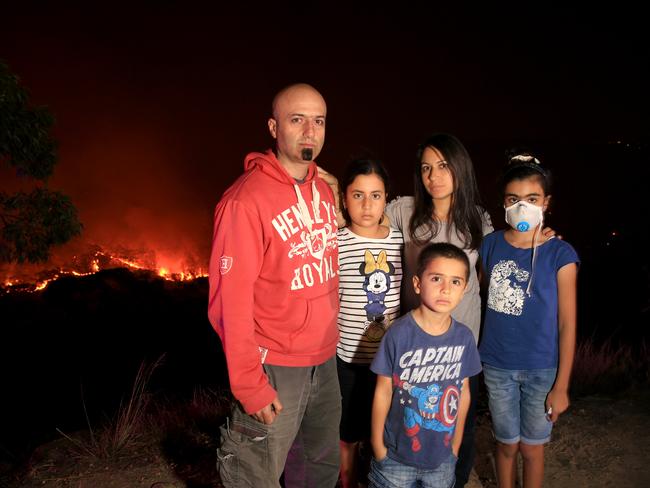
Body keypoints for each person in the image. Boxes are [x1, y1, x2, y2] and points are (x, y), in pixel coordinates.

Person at [208, 83, 341, 488]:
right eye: (296, 119)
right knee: (254, 475)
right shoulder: (244, 201)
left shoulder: (322, 189)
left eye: (318, 121)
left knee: (317, 470)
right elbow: (228, 302)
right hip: (275, 365)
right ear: (272, 127)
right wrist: (249, 382)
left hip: (324, 360)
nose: (309, 131)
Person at [384, 133, 492, 487]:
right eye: (426, 168)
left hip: (461, 346)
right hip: (414, 347)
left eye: (443, 166)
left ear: (460, 168)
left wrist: (542, 235)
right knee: (407, 423)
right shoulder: (403, 210)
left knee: (456, 424)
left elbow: (490, 270)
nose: (434, 176)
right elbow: (361, 209)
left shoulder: (478, 221)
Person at [479, 152, 578, 488]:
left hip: (542, 369)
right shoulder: (489, 245)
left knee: (533, 450)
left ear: (546, 202)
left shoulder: (560, 254)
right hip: (496, 365)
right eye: (513, 199)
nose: (523, 206)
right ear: (503, 203)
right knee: (506, 444)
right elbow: (477, 296)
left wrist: (562, 385)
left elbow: (567, 323)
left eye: (532, 199)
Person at [369, 243, 482, 488]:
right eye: (436, 278)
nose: (445, 289)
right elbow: (383, 391)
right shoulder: (398, 334)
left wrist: (455, 446)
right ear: (418, 284)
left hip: (442, 460)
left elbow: (462, 395)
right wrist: (378, 446)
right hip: (395, 459)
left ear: (465, 289)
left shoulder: (464, 337)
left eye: (455, 282)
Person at [336, 158, 403, 488]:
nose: (367, 204)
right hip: (347, 360)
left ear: (386, 198)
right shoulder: (335, 242)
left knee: (383, 433)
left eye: (376, 195)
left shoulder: (398, 240)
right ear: (344, 198)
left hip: (389, 363)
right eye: (358, 195)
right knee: (347, 434)